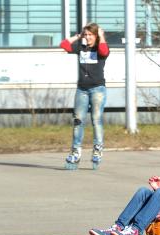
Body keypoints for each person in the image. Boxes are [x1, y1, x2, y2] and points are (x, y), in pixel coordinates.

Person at [59, 23, 110, 169]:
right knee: (78, 120)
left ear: (95, 36)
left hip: (97, 89)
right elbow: (64, 44)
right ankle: (75, 152)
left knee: (96, 120)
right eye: (86, 35)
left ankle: (97, 150)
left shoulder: (100, 48)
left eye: (90, 35)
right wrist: (78, 36)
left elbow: (104, 51)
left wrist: (101, 36)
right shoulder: (80, 48)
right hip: (82, 89)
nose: (87, 38)